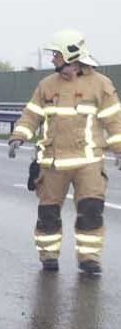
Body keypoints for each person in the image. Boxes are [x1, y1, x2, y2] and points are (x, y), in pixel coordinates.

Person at [8, 29, 121, 276]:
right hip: (53, 163)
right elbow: (31, 115)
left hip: (88, 162)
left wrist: (119, 149)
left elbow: (114, 120)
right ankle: (48, 256)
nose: (52, 59)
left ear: (71, 55)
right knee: (48, 213)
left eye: (56, 54)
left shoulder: (100, 85)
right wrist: (19, 137)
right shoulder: (47, 86)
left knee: (91, 210)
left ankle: (89, 258)